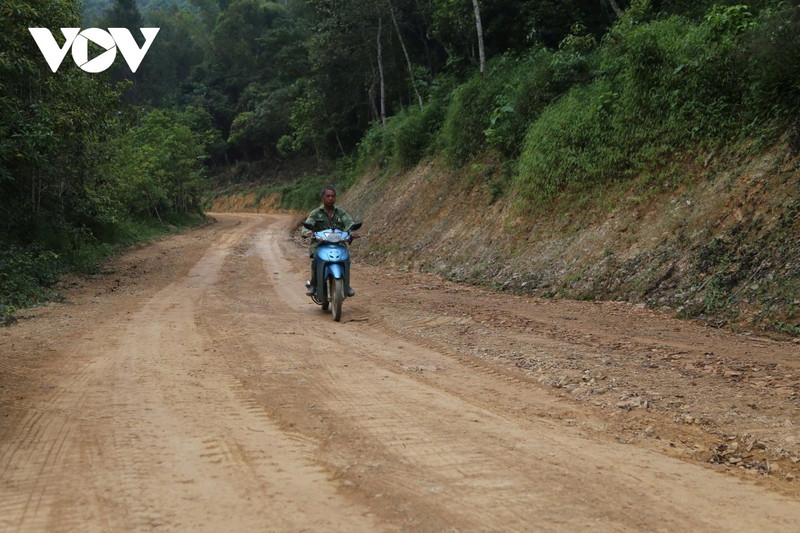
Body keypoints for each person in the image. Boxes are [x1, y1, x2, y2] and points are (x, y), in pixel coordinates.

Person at [301, 185, 360, 296]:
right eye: (327, 196)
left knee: (346, 259)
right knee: (315, 261)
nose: (330, 198)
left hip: (339, 244)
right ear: (322, 198)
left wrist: (351, 233)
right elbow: (307, 225)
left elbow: (349, 223)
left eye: (333, 196)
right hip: (319, 244)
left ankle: (346, 285)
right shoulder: (316, 213)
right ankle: (313, 283)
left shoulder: (341, 213)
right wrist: (308, 233)